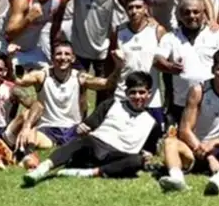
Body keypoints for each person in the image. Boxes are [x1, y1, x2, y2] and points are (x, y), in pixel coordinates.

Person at [22, 71, 163, 185]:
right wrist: (82, 130)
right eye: (133, 92)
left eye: (142, 92)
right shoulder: (111, 104)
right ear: (126, 93)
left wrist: (147, 155)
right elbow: (87, 126)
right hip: (96, 144)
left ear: (149, 93)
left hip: (119, 155)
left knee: (137, 161)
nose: (137, 97)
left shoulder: (152, 123)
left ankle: (89, 173)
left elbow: (149, 151)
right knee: (81, 142)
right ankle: (43, 168)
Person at [158, 49, 219, 195]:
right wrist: (208, 155)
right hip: (198, 148)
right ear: (212, 70)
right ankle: (177, 180)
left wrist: (215, 143)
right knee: (169, 141)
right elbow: (185, 130)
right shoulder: (198, 91)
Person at [15, 40, 117, 149]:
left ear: (73, 58)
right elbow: (19, 80)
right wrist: (15, 60)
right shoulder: (42, 75)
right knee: (31, 138)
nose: (63, 57)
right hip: (47, 129)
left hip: (74, 129)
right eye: (58, 54)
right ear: (52, 58)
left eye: (67, 54)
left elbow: (107, 84)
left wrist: (119, 66)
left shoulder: (80, 77)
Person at [158, 0, 219, 123]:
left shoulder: (216, 35)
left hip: (211, 101)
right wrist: (169, 66)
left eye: (196, 12)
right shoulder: (170, 37)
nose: (191, 16)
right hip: (181, 103)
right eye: (186, 12)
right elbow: (157, 59)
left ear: (203, 14)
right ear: (180, 15)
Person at [62, 0, 126, 86]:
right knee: (78, 87)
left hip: (104, 47)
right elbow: (63, 5)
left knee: (105, 87)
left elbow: (128, 4)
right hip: (79, 47)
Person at [113, 0, 170, 123]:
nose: (134, 11)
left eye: (138, 7)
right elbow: (111, 64)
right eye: (130, 7)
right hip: (124, 95)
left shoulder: (157, 30)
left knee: (155, 134)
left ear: (146, 8)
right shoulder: (118, 31)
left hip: (151, 97)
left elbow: (167, 64)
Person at [3, 0, 66, 74]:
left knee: (50, 75)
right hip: (8, 45)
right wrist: (29, 18)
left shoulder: (59, 0)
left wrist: (54, 52)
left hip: (31, 48)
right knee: (17, 78)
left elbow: (55, 30)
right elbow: (9, 33)